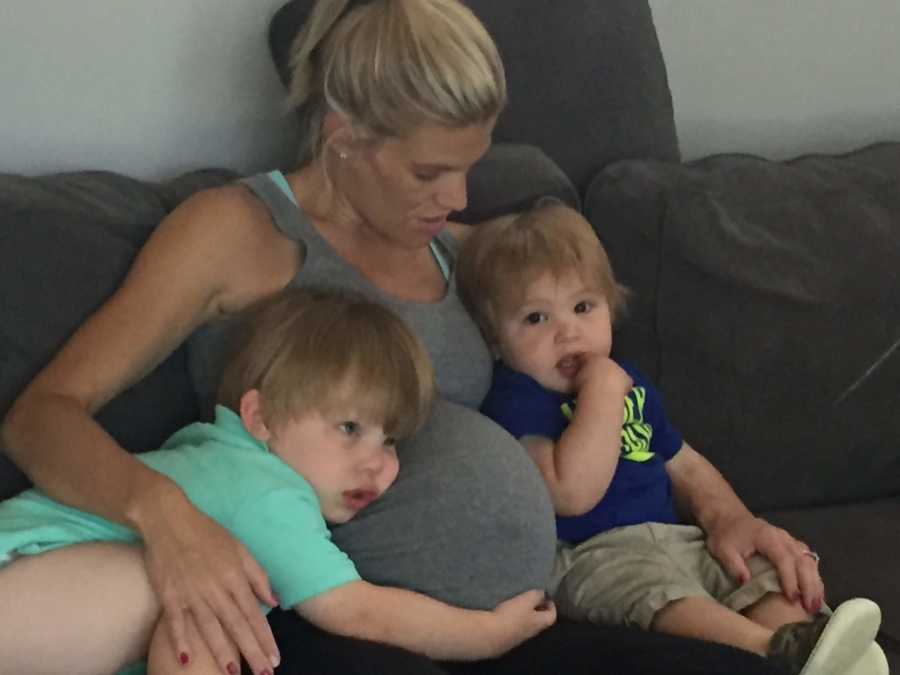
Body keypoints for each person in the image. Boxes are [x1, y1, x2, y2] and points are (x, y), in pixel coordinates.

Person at [0, 0, 819, 673]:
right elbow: (42, 416)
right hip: (333, 619)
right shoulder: (237, 232)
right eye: (428, 172)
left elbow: (595, 359)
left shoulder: (457, 246)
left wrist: (723, 511)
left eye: (470, 164)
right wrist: (170, 523)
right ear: (343, 131)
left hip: (535, 606)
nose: (456, 196)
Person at [0, 288, 556, 675]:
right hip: (18, 580)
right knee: (203, 600)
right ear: (260, 418)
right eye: (348, 428)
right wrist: (488, 635)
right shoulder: (263, 490)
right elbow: (359, 612)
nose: (376, 462)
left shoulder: (213, 458)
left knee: (209, 621)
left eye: (389, 441)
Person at [457, 199, 888, 675]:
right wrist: (602, 391)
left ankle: (812, 642)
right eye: (537, 318)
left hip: (678, 538)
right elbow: (572, 493)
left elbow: (683, 462)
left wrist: (737, 520)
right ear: (495, 338)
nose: (568, 332)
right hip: (592, 556)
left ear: (610, 308)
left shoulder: (632, 382)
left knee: (755, 574)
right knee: (660, 595)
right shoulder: (516, 399)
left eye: (583, 307)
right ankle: (775, 653)